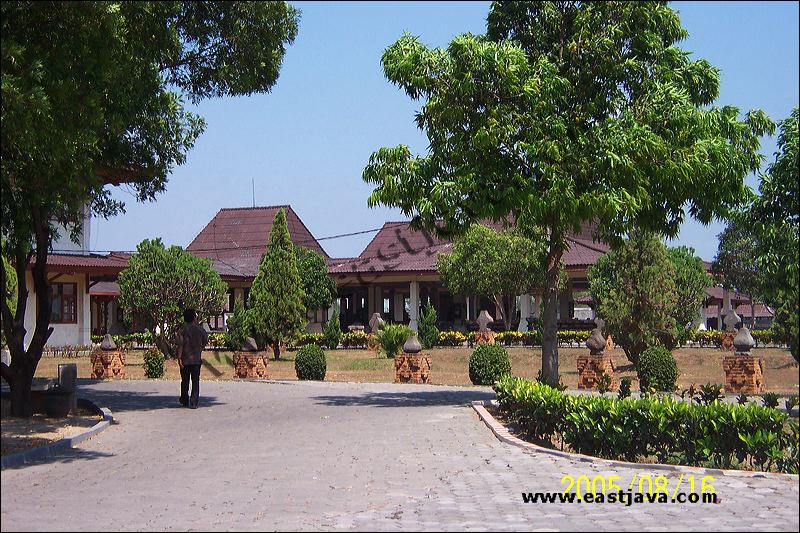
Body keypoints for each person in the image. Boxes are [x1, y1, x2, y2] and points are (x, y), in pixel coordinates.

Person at [176, 308, 208, 409]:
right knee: (195, 381)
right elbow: (205, 341)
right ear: (194, 318)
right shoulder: (200, 329)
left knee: (185, 380)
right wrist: (200, 349)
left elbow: (180, 344)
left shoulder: (182, 330)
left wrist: (179, 358)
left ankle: (184, 399)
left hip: (185, 359)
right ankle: (194, 402)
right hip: (196, 359)